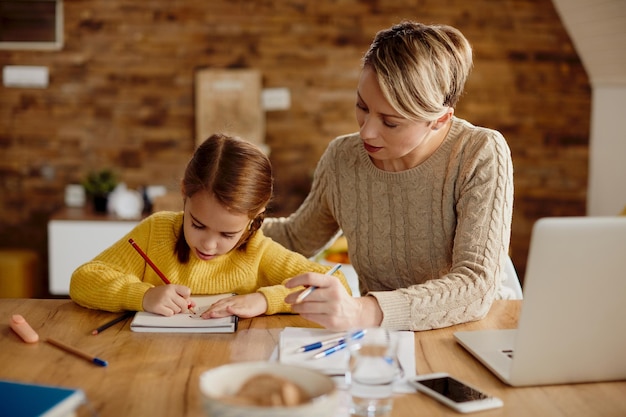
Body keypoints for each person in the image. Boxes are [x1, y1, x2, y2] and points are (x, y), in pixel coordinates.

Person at [262, 21, 514, 331]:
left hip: (471, 334)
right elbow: (294, 239)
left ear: (439, 119)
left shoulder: (478, 152)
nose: (366, 130)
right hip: (382, 343)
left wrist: (363, 311)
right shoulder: (342, 158)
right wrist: (202, 226)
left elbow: (476, 283)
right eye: (362, 106)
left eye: (390, 122)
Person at [70, 133, 350, 319]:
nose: (208, 244)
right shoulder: (156, 231)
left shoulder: (258, 250)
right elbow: (83, 279)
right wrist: (143, 295)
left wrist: (265, 300)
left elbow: (336, 285)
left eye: (228, 234)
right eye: (198, 225)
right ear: (184, 192)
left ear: (255, 216)